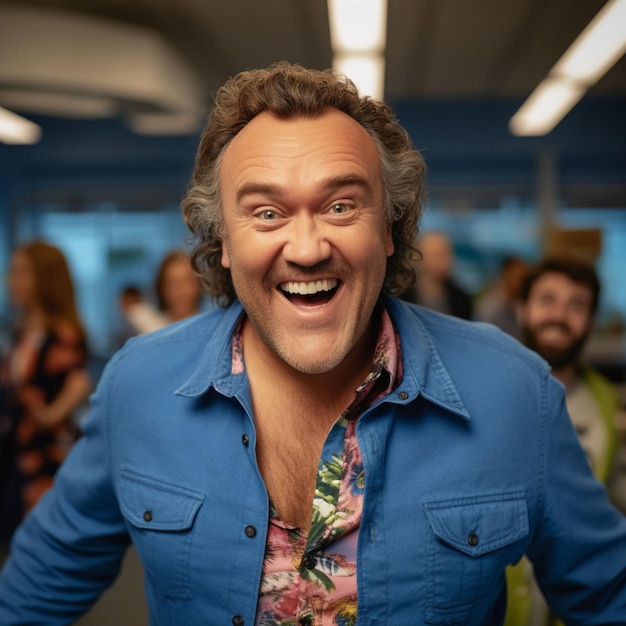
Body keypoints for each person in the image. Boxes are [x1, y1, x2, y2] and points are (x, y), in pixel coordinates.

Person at [1, 63, 625, 625]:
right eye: (266, 213)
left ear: (389, 227)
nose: (305, 249)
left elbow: (607, 598)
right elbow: (35, 588)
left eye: (340, 206)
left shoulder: (516, 393)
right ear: (222, 239)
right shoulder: (137, 387)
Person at [0, 241, 91, 549]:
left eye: (21, 272)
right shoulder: (19, 330)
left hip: (48, 456)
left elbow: (81, 381)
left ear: (44, 278)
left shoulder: (64, 334)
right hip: (15, 453)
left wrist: (52, 414)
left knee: (41, 544)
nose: (11, 279)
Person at [401, 230, 473, 319]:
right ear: (419, 258)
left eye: (447, 254)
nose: (445, 261)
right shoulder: (402, 298)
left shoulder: (461, 298)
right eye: (437, 255)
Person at [476, 255, 529, 340]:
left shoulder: (525, 305)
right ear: (505, 274)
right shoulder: (491, 304)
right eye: (514, 275)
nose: (518, 283)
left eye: (521, 278)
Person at [154, 249, 203, 323]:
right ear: (162, 289)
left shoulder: (215, 328)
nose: (180, 290)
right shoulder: (151, 329)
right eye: (172, 283)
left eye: (186, 281)